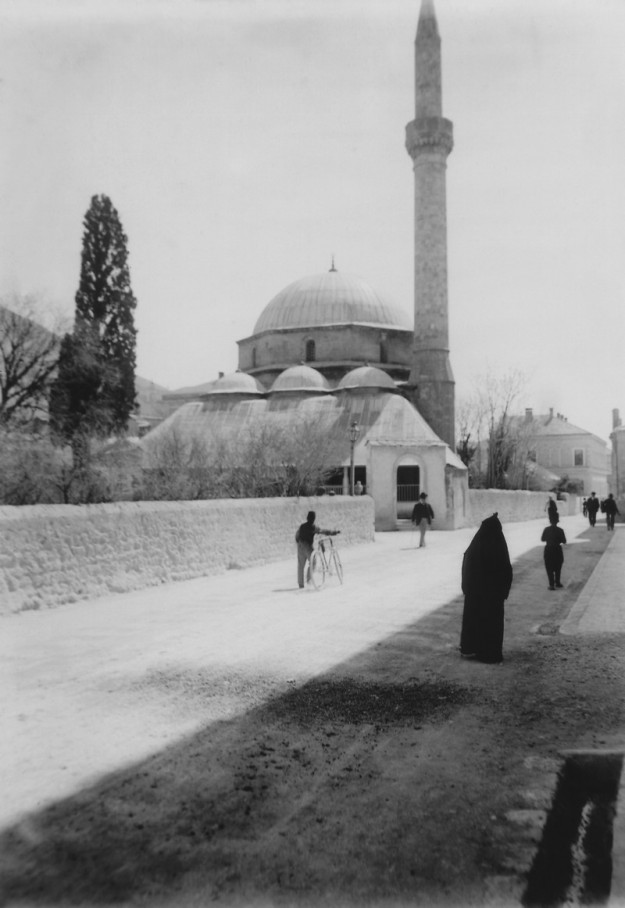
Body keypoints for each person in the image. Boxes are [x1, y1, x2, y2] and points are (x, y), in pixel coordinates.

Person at [459, 513, 513, 664]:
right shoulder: (499, 546)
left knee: (474, 620)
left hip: (475, 594)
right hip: (493, 596)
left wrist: (466, 588)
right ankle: (489, 654)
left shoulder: (475, 545)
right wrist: (504, 591)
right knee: (491, 624)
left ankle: (470, 649)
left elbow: (467, 567)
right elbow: (506, 570)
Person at [295, 511, 339, 589]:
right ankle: (309, 579)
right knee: (313, 561)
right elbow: (324, 531)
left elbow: (297, 535)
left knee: (301, 565)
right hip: (307, 546)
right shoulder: (313, 527)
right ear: (313, 519)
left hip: (300, 545)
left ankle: (301, 584)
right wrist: (333, 532)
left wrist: (299, 542)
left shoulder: (302, 526)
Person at [541, 514, 567, 590]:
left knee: (549, 567)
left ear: (550, 521)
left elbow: (542, 539)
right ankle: (557, 582)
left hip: (548, 549)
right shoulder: (560, 530)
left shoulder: (546, 529)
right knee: (558, 566)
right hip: (557, 549)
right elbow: (564, 541)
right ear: (557, 521)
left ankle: (551, 584)